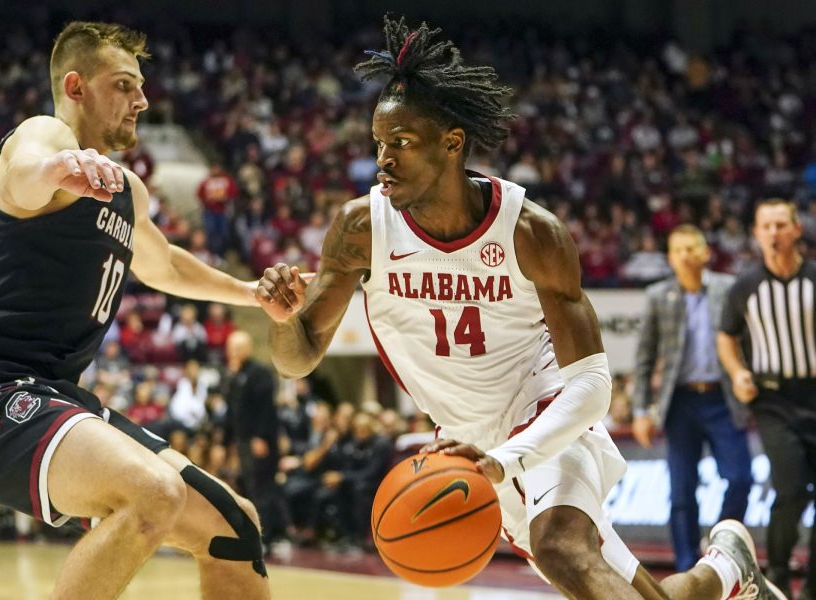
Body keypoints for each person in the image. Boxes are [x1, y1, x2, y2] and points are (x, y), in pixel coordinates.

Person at [257, 15, 785, 600]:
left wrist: (506, 460)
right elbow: (298, 357)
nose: (383, 161)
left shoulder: (530, 231)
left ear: (452, 144)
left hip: (548, 414)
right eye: (379, 145)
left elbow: (593, 387)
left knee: (562, 546)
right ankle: (728, 572)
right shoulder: (361, 227)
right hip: (465, 442)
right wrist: (282, 321)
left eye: (401, 144)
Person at [0, 22, 270, 600]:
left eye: (141, 86)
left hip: (54, 396)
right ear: (76, 85)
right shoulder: (44, 136)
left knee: (235, 527)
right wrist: (58, 170)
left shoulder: (124, 190)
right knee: (152, 493)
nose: (142, 99)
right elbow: (26, 173)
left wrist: (249, 292)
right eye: (124, 84)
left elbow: (165, 266)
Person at [633, 225, 752, 572]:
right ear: (669, 258)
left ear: (705, 253)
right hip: (679, 404)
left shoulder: (729, 288)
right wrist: (641, 410)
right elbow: (644, 358)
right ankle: (687, 567)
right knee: (681, 491)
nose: (685, 255)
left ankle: (721, 546)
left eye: (692, 248)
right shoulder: (658, 296)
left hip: (723, 399)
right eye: (678, 250)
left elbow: (748, 343)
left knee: (741, 478)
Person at [717, 198, 816, 599]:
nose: (774, 233)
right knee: (790, 487)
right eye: (766, 226)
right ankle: (775, 569)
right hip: (773, 399)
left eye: (781, 225)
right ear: (757, 234)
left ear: (796, 229)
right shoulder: (745, 286)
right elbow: (727, 337)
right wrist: (739, 371)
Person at [223, 330, 287, 553]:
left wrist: (261, 437)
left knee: (263, 488)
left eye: (238, 348)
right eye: (231, 348)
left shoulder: (259, 373)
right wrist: (227, 441)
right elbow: (232, 412)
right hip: (243, 440)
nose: (234, 352)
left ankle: (267, 537)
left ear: (248, 348)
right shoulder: (232, 374)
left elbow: (266, 409)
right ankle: (254, 535)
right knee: (249, 486)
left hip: (260, 441)